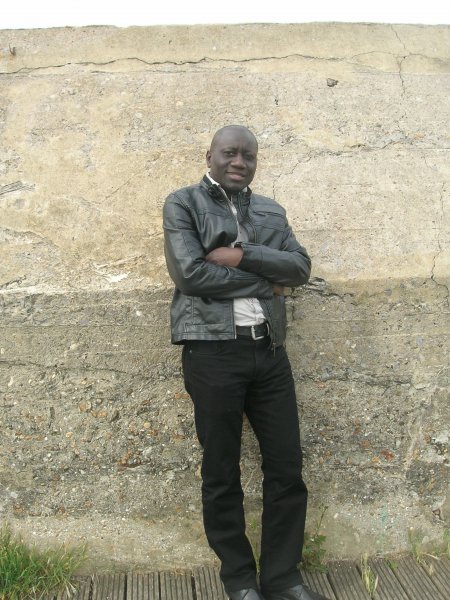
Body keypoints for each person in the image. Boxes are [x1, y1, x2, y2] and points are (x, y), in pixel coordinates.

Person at [163, 125, 330, 600]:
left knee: (286, 468)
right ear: (210, 156)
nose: (239, 162)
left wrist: (240, 256)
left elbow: (299, 268)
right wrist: (266, 283)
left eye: (249, 156)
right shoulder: (183, 204)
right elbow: (191, 275)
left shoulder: (271, 211)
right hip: (212, 352)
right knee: (222, 472)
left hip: (269, 353)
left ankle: (283, 578)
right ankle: (238, 580)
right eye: (230, 153)